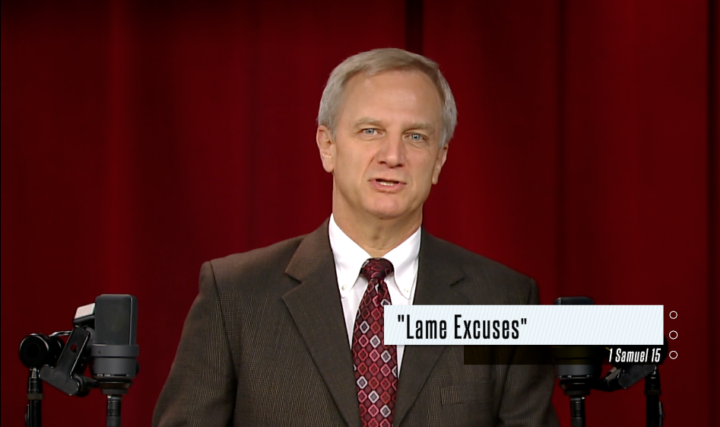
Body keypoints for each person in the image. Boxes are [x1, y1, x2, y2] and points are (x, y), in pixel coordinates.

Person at [153, 48, 559, 427]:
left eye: (416, 136)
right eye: (370, 130)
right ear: (327, 146)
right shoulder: (235, 295)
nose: (393, 155)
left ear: (439, 160)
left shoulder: (504, 300)